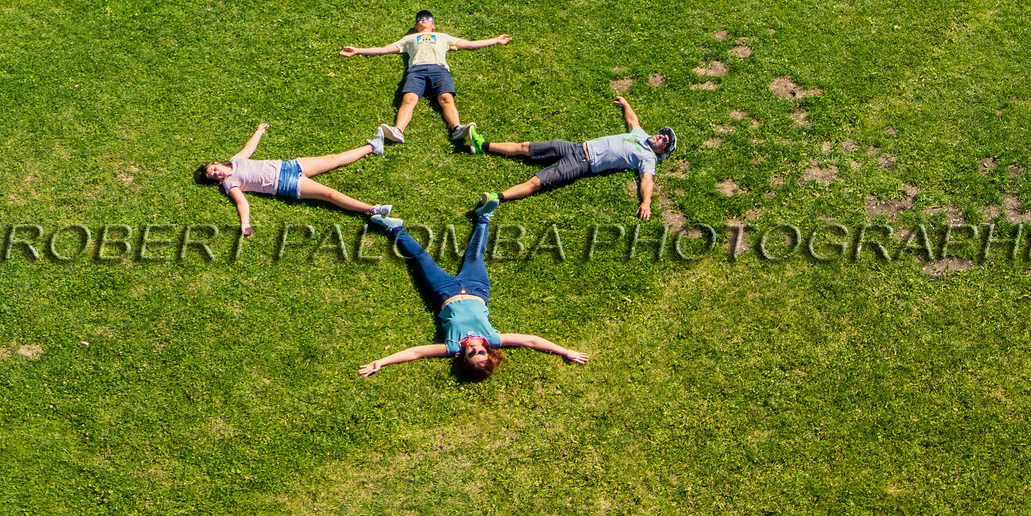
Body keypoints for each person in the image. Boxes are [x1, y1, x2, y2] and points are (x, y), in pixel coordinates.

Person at [358, 200, 588, 382]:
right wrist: (565, 351)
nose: (476, 350)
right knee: (476, 254)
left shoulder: (452, 346)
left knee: (420, 258)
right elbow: (531, 341)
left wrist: (383, 361)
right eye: (481, 354)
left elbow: (416, 353)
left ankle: (395, 228)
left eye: (472, 355)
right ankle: (484, 217)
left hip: (443, 292)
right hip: (477, 288)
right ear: (489, 353)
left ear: (463, 358)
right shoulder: (493, 338)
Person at [472, 96, 675, 220]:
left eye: (664, 140)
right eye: (662, 133)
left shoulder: (648, 158)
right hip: (576, 146)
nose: (660, 136)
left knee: (536, 182)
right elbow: (632, 120)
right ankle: (482, 145)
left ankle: (496, 198)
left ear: (662, 151)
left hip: (582, 163)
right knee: (525, 146)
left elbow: (647, 180)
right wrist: (625, 103)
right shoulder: (640, 135)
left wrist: (646, 202)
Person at [339, 10, 510, 150]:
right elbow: (385, 49)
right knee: (408, 99)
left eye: (427, 18)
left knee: (446, 99)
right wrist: (358, 50)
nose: (424, 20)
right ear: (415, 25)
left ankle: (457, 129)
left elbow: (470, 44)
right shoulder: (409, 39)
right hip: (416, 71)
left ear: (433, 25)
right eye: (420, 19)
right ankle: (398, 130)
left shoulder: (443, 36)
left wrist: (495, 40)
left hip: (439, 69)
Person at [195, 119, 393, 239]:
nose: (216, 172)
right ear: (216, 181)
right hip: (285, 184)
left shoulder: (235, 160)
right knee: (330, 194)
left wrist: (258, 132)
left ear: (216, 163)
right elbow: (241, 202)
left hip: (289, 166)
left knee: (334, 159)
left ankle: (373, 147)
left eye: (213, 169)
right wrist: (245, 223)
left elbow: (249, 149)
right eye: (213, 176)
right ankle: (374, 209)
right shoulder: (230, 184)